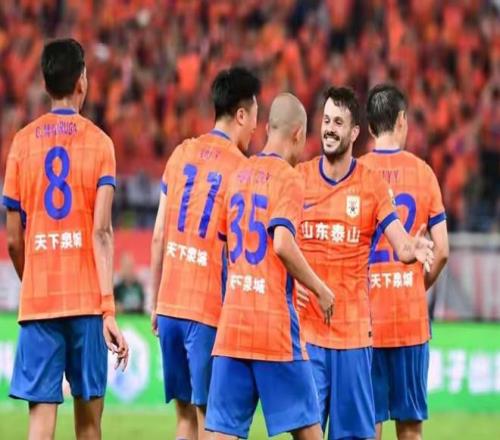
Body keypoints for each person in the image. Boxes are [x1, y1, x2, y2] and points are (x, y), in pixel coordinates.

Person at [2, 38, 128, 440]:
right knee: (89, 426)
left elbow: (13, 239)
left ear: (45, 83)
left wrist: (33, 280)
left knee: (39, 426)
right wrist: (108, 309)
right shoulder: (101, 144)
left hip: (40, 304)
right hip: (88, 303)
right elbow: (102, 231)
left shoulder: (21, 144)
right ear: (82, 81)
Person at [295, 86, 434, 440]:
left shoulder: (371, 184)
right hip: (309, 337)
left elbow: (400, 243)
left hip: (354, 339)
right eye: (326, 121)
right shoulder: (300, 179)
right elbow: (278, 242)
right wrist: (292, 285)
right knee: (307, 433)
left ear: (355, 131)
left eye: (338, 123)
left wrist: (414, 248)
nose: (330, 129)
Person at [205, 93, 334, 440]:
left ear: (267, 129)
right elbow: (282, 243)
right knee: (309, 432)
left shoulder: (237, 174)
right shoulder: (289, 178)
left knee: (221, 434)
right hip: (273, 327)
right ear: (298, 134)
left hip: (233, 326)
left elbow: (223, 250)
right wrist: (319, 289)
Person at [150, 67, 261, 439]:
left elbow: (159, 235)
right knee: (210, 419)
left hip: (169, 306)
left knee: (184, 419)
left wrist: (155, 303)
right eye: (254, 117)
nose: (256, 128)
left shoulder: (181, 153)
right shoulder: (242, 170)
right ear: (241, 114)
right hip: (207, 310)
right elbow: (238, 251)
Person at [359, 84, 449, 440]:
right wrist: (416, 285)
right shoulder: (423, 173)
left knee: (368, 426)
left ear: (369, 127)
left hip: (365, 322)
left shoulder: (356, 173)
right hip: (409, 322)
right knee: (410, 429)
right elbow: (442, 250)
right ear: (401, 120)